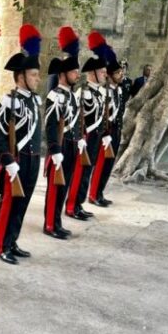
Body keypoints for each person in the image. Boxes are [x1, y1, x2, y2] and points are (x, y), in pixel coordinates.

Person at [0, 24, 43, 264]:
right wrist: (8, 161)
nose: (37, 79)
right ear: (21, 76)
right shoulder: (10, 101)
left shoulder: (34, 101)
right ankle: (2, 244)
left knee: (22, 204)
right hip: (17, 161)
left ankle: (12, 241)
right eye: (33, 75)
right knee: (9, 205)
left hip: (32, 160)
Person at [42, 26, 81, 240]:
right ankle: (50, 224)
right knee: (55, 188)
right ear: (63, 74)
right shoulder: (55, 96)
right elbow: (50, 125)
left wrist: (79, 141)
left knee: (64, 187)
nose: (77, 74)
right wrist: (54, 150)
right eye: (74, 71)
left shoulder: (72, 96)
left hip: (72, 144)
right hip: (60, 145)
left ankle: (57, 221)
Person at [66, 32, 109, 221]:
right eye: (102, 72)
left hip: (95, 137)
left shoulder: (99, 93)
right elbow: (74, 118)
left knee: (88, 171)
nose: (104, 75)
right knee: (80, 172)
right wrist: (79, 138)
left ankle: (79, 203)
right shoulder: (82, 92)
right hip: (85, 138)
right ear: (92, 73)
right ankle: (71, 206)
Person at [89, 38, 125, 207]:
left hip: (116, 132)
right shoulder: (104, 92)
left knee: (108, 165)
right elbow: (102, 116)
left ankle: (100, 192)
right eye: (118, 73)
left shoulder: (118, 90)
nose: (121, 75)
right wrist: (105, 134)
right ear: (110, 76)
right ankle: (93, 194)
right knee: (101, 165)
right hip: (106, 133)